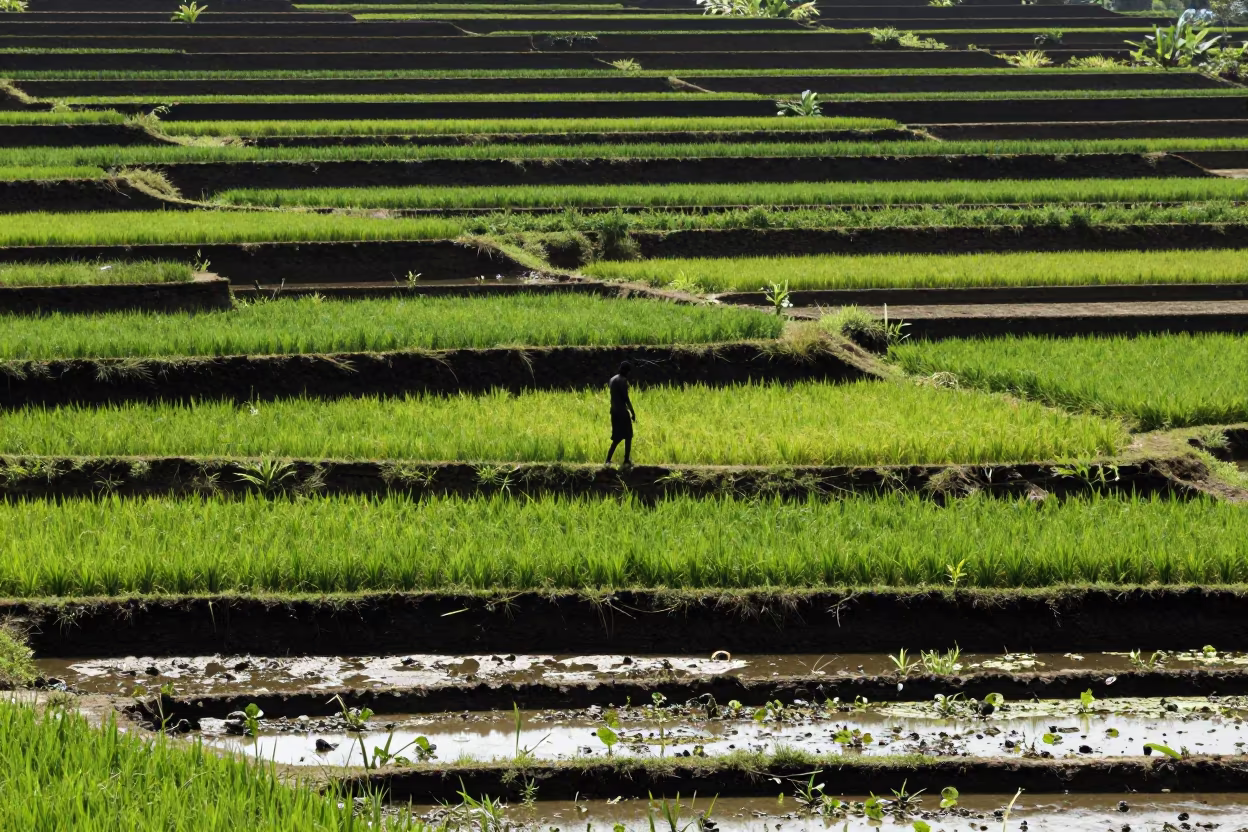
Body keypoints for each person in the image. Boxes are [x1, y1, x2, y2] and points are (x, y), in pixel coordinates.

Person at [605, 361, 636, 466]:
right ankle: (626, 460)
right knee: (628, 435)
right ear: (627, 371)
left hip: (614, 411)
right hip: (622, 412)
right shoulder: (623, 381)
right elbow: (626, 399)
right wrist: (632, 412)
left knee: (617, 437)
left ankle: (608, 460)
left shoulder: (612, 379)